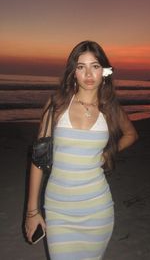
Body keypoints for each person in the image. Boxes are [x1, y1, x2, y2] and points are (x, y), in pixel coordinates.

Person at [25, 41, 138, 259]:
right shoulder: (56, 105)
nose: (88, 73)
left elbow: (131, 134)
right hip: (59, 210)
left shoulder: (110, 107)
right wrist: (32, 212)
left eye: (94, 66)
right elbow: (38, 158)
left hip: (97, 209)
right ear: (73, 72)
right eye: (80, 66)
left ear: (104, 71)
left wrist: (108, 153)